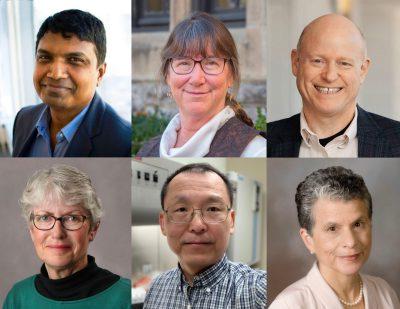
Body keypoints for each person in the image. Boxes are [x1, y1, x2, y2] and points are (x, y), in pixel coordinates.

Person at [267, 14, 400, 157]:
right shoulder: (266, 142)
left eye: (344, 63)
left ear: (363, 70)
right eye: (318, 61)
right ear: (296, 63)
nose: (330, 76)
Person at [136, 12, 266, 157]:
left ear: (231, 76)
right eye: (184, 63)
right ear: (167, 75)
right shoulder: (147, 152)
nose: (197, 79)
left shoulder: (256, 152)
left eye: (211, 63)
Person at [269, 166, 400, 308]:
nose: (350, 242)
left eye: (357, 224)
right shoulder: (288, 305)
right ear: (309, 240)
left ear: (370, 224)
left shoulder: (384, 292)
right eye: (332, 229)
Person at [3, 165, 130, 308]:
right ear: (31, 229)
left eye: (72, 218)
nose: (57, 233)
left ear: (93, 228)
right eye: (45, 218)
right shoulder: (18, 298)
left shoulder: (124, 298)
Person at [144, 163, 266, 308]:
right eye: (182, 209)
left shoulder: (259, 291)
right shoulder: (155, 288)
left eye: (213, 209)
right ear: (163, 223)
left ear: (231, 221)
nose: (197, 225)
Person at [12, 9, 131, 157]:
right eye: (45, 57)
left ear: (99, 74)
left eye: (74, 60)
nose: (56, 74)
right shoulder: (24, 119)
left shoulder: (124, 143)